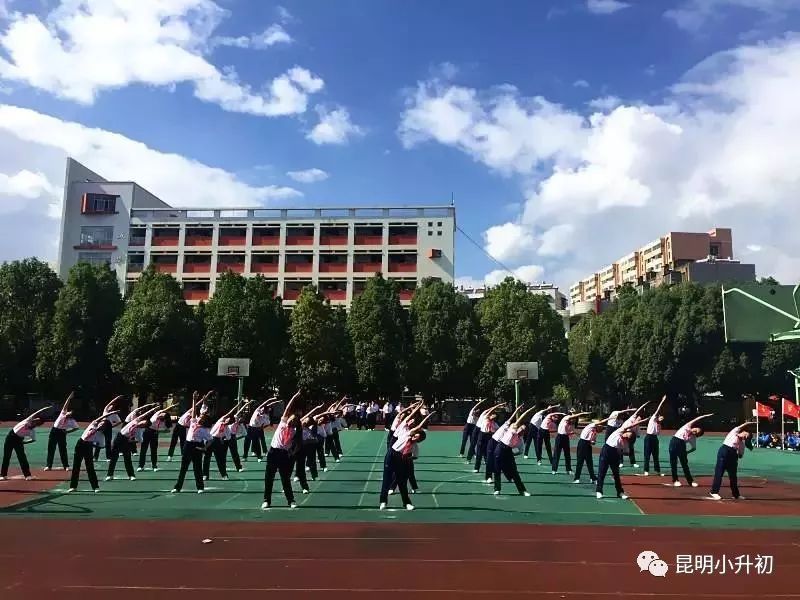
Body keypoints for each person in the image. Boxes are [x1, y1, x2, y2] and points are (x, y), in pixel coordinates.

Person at [379, 407, 434, 510]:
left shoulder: (414, 446)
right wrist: (427, 417)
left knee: (402, 482)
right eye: (415, 435)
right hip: (391, 455)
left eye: (417, 438)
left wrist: (407, 458)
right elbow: (418, 426)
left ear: (418, 440)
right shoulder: (407, 433)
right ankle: (383, 501)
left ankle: (407, 503)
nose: (415, 437)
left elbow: (415, 456)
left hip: (401, 459)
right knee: (386, 480)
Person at [262, 390, 303, 510]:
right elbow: (288, 407)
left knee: (285, 479)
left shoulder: (295, 431)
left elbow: (297, 445)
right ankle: (266, 500)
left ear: (296, 424)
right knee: (269, 478)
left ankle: (291, 500)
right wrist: (295, 396)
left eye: (294, 420)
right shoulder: (283, 423)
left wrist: (292, 453)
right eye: (291, 418)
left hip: (284, 454)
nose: (291, 420)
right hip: (273, 452)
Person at [68, 410, 121, 493]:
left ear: (104, 429)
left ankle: (95, 487)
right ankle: (73, 486)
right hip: (80, 444)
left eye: (103, 425)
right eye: (101, 423)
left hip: (88, 447)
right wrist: (111, 413)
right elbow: (101, 417)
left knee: (90, 467)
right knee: (76, 466)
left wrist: (92, 445)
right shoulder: (93, 424)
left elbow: (101, 445)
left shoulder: (101, 436)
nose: (101, 424)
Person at [172, 393, 213, 494]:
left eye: (202, 417)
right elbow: (194, 411)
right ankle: (177, 487)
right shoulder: (194, 422)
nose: (199, 417)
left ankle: (200, 487)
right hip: (188, 445)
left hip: (197, 446)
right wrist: (194, 399)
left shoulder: (204, 430)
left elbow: (210, 440)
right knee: (183, 467)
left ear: (203, 420)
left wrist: (205, 448)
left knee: (197, 468)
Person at [595, 417, 646, 500]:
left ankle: (620, 492)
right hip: (606, 450)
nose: (628, 433)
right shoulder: (619, 431)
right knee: (602, 472)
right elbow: (631, 425)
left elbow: (626, 452)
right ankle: (599, 491)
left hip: (615, 454)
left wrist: (622, 452)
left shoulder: (626, 443)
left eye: (630, 434)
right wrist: (642, 420)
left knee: (616, 474)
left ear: (630, 438)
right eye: (628, 432)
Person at [106, 405, 159, 481]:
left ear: (144, 426)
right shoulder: (136, 420)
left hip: (126, 441)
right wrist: (153, 408)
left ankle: (131, 475)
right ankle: (110, 475)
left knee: (127, 459)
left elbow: (140, 440)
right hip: (119, 437)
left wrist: (131, 441)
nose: (142, 423)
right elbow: (145, 414)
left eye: (144, 424)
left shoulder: (139, 432)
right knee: (114, 458)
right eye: (143, 422)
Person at [493, 406, 537, 496]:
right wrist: (527, 410)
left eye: (524, 430)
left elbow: (521, 451)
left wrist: (513, 454)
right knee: (497, 469)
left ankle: (522, 491)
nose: (522, 429)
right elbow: (520, 418)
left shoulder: (520, 441)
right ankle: (497, 489)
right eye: (521, 427)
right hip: (500, 447)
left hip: (509, 451)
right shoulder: (512, 429)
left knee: (514, 472)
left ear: (524, 432)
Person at [1, 406, 51, 481]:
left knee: (22, 458)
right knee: (6, 457)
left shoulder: (32, 432)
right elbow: (36, 413)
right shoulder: (28, 420)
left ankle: (27, 475)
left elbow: (33, 440)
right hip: (10, 437)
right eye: (35, 419)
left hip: (19, 441)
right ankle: (3, 475)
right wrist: (44, 409)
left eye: (37, 420)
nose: (35, 419)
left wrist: (24, 442)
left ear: (38, 424)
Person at [709, 422, 754, 500]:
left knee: (733, 477)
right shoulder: (734, 432)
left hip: (733, 456)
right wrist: (749, 423)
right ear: (743, 432)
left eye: (747, 437)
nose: (746, 436)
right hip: (724, 451)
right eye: (746, 434)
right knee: (719, 473)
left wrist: (739, 451)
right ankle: (714, 492)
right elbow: (741, 426)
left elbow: (740, 456)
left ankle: (736, 495)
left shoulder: (742, 444)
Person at [204, 403, 245, 481]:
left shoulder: (227, 430)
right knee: (207, 458)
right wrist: (238, 405)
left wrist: (223, 441)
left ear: (229, 423)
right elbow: (229, 413)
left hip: (218, 442)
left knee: (220, 459)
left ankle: (224, 475)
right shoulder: (220, 420)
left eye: (229, 420)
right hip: (210, 439)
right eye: (227, 418)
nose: (227, 419)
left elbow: (229, 439)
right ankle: (205, 475)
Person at [670, 413, 713, 487]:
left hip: (682, 445)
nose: (695, 431)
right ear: (695, 427)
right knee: (673, 462)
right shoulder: (687, 426)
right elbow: (698, 418)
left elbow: (694, 448)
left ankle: (690, 481)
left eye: (697, 433)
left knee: (684, 464)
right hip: (674, 441)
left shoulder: (693, 438)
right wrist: (707, 415)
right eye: (696, 430)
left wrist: (687, 452)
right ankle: (675, 480)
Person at [167, 391, 207, 462]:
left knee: (183, 442)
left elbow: (199, 413)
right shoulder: (189, 411)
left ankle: (184, 455)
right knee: (173, 441)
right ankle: (170, 455)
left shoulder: (195, 418)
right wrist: (200, 399)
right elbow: (196, 404)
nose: (193, 411)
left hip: (183, 428)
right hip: (178, 425)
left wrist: (204, 402)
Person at [138, 401, 175, 472]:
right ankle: (141, 466)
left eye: (163, 415)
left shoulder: (164, 422)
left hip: (155, 433)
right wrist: (171, 406)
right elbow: (164, 410)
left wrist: (159, 431)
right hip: (147, 431)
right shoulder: (156, 414)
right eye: (161, 413)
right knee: (143, 449)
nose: (161, 415)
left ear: (165, 417)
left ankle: (154, 466)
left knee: (154, 450)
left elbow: (167, 430)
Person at [573, 417, 612, 484]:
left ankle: (592, 478)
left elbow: (593, 442)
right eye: (600, 428)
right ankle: (577, 478)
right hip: (582, 443)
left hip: (588, 445)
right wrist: (610, 418)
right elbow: (600, 422)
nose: (600, 430)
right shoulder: (591, 425)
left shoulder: (594, 432)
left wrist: (593, 441)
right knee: (580, 461)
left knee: (589, 462)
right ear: (598, 425)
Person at [45, 392, 78, 471]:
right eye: (69, 412)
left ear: (71, 416)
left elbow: (76, 428)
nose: (69, 414)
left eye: (70, 414)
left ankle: (66, 466)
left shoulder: (72, 421)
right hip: (54, 431)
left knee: (62, 449)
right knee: (51, 448)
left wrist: (67, 432)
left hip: (62, 433)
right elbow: (66, 404)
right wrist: (69, 398)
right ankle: (49, 466)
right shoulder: (63, 413)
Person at [243, 397, 279, 462]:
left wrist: (261, 427)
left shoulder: (266, 417)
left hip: (256, 429)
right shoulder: (258, 410)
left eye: (265, 410)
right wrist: (272, 399)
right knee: (247, 443)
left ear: (266, 411)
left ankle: (259, 457)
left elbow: (267, 423)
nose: (262, 410)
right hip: (250, 428)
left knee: (256, 443)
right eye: (263, 409)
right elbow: (265, 403)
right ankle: (245, 456)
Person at [473, 403, 505, 473]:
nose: (493, 416)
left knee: (488, 453)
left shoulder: (494, 424)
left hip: (489, 437)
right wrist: (498, 406)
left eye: (495, 416)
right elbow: (491, 410)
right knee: (479, 453)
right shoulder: (485, 418)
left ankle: (490, 468)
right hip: (482, 436)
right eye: (493, 414)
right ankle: (476, 468)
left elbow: (499, 430)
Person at [93, 396, 124, 461]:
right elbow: (110, 403)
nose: (110, 407)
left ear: (113, 409)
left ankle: (108, 457)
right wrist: (117, 398)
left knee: (108, 442)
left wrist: (112, 426)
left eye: (112, 407)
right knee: (98, 442)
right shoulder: (106, 410)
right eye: (110, 406)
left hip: (108, 427)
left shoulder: (115, 415)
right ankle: (95, 457)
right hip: (101, 426)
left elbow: (119, 422)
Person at [643, 396, 667, 477]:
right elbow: (658, 410)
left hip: (654, 438)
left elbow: (657, 433)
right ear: (657, 416)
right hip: (648, 438)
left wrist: (659, 423)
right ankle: (646, 470)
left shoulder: (659, 425)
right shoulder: (653, 419)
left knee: (655, 455)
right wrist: (662, 401)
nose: (662, 418)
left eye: (662, 418)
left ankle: (657, 471)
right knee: (647, 455)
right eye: (660, 417)